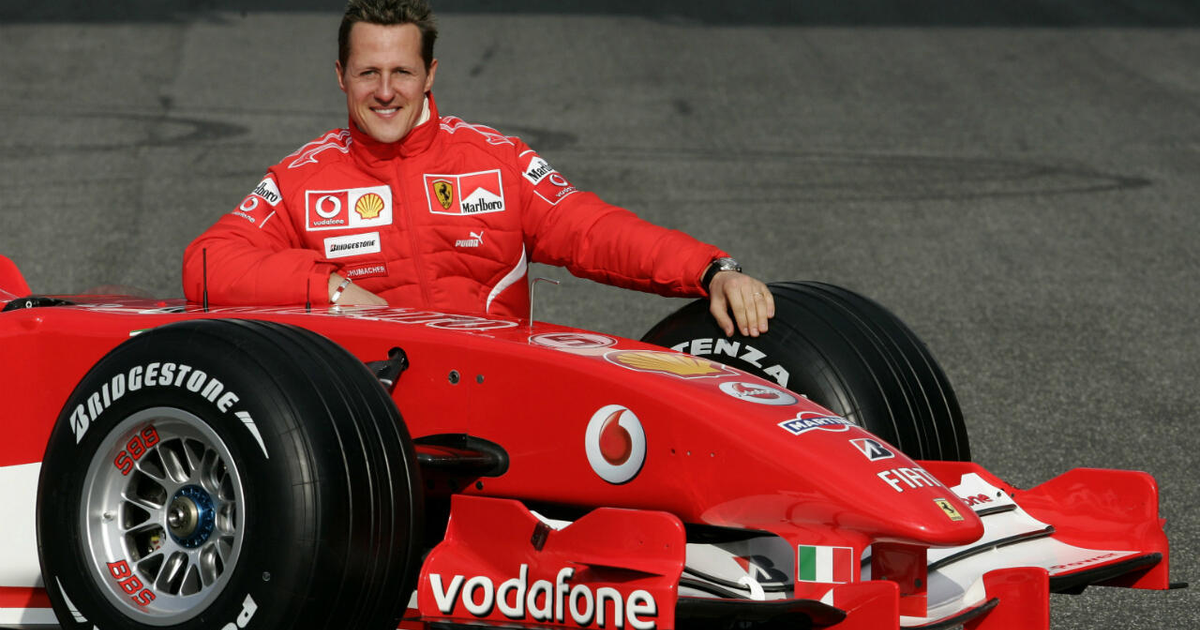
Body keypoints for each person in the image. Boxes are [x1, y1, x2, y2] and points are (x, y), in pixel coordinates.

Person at [183, 0, 774, 337]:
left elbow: (592, 230)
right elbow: (207, 264)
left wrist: (711, 268)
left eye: (403, 73)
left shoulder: (496, 160)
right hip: (362, 423)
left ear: (431, 75)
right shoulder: (302, 177)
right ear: (340, 77)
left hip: (499, 410)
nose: (385, 92)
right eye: (368, 74)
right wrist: (330, 290)